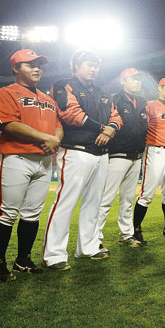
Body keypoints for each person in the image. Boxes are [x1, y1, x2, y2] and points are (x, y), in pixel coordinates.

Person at [42, 50, 121, 270]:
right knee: (65, 202)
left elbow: (116, 117)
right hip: (76, 151)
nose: (94, 68)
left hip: (101, 153)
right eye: (88, 64)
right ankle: (54, 254)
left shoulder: (103, 91)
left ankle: (88, 247)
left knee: (94, 203)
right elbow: (70, 113)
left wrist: (110, 129)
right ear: (75, 65)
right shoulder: (63, 85)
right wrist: (102, 127)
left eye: (96, 65)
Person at [0, 49, 62, 281]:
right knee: (7, 213)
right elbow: (8, 124)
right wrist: (45, 138)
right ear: (15, 68)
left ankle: (23, 259)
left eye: (39, 64)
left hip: (42, 160)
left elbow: (58, 124)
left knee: (32, 214)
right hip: (17, 159)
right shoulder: (7, 92)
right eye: (30, 64)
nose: (36, 68)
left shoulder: (48, 97)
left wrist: (56, 139)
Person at [96, 68, 147, 247]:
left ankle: (126, 235)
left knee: (127, 200)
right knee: (106, 199)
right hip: (117, 155)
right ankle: (94, 238)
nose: (137, 82)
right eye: (133, 78)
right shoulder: (113, 99)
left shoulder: (142, 101)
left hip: (136, 156)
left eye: (138, 79)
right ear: (123, 81)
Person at [133, 77, 165, 242]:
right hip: (155, 150)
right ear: (160, 88)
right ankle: (136, 229)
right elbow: (141, 128)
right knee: (147, 193)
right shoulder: (150, 105)